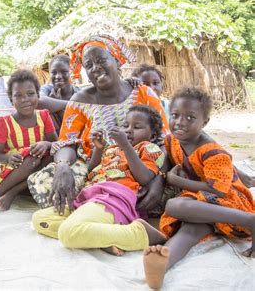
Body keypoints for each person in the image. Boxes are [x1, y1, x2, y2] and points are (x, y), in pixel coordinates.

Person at [27, 35, 169, 213]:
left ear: (116, 61)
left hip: (140, 163)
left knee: (175, 188)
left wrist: (159, 180)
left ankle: (102, 206)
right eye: (89, 65)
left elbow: (165, 140)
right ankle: (113, 206)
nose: (95, 68)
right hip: (94, 165)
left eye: (101, 60)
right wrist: (62, 166)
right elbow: (66, 142)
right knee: (49, 182)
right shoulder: (79, 100)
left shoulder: (143, 93)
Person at [142, 87, 255, 289]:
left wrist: (177, 181)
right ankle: (161, 265)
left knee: (175, 207)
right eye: (175, 115)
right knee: (189, 231)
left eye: (190, 117)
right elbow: (169, 161)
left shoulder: (213, 152)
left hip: (228, 203)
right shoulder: (172, 140)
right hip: (202, 207)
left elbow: (218, 191)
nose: (180, 122)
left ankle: (250, 220)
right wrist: (164, 176)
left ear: (205, 122)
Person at [33, 105, 167, 255]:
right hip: (90, 197)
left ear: (153, 136)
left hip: (113, 199)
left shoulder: (148, 148)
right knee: (40, 219)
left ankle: (140, 234)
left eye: (136, 127)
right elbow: (92, 170)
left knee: (67, 233)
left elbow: (146, 178)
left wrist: (126, 146)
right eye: (125, 125)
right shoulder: (112, 148)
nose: (129, 130)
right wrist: (99, 149)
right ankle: (102, 238)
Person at [0, 70, 58, 212]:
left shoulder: (44, 116)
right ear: (11, 99)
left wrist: (45, 144)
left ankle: (12, 193)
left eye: (30, 94)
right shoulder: (4, 122)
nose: (25, 99)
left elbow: (56, 144)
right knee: (31, 159)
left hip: (37, 176)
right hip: (15, 172)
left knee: (54, 155)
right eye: (18, 96)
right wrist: (8, 157)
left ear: (38, 95)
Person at [39, 55, 80, 134]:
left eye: (64, 71)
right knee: (45, 112)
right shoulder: (47, 89)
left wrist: (55, 105)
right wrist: (73, 104)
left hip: (77, 137)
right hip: (53, 140)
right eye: (53, 72)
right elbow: (39, 101)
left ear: (71, 72)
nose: (58, 76)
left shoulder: (80, 93)